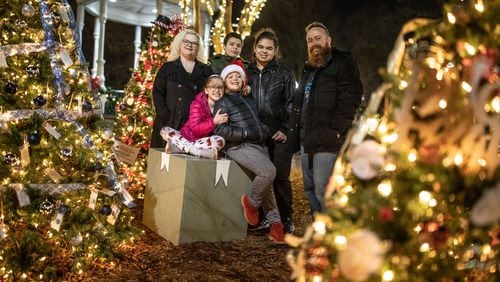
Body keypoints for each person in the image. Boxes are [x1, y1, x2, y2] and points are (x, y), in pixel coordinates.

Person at [288, 22, 363, 215]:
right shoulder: (309, 68)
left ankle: (331, 234)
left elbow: (351, 96)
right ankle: (319, 231)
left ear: (328, 40)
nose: (314, 43)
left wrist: (337, 129)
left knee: (324, 190)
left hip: (328, 138)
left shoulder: (342, 62)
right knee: (309, 189)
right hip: (307, 138)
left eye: (318, 38)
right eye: (310, 40)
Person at [213, 61, 285, 244]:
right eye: (231, 76)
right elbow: (220, 130)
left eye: (238, 76)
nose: (235, 79)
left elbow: (255, 120)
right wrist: (244, 134)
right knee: (269, 172)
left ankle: (276, 226)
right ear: (224, 81)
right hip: (239, 147)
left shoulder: (249, 98)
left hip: (259, 145)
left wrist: (264, 129)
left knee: (268, 186)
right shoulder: (223, 101)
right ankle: (252, 204)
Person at [246, 28, 296, 234]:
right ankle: (261, 219)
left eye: (269, 48)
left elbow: (293, 104)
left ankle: (286, 219)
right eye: (261, 47)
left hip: (277, 135)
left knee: (280, 178)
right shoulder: (245, 72)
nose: (264, 51)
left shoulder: (284, 74)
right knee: (258, 177)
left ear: (275, 51)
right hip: (254, 135)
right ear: (255, 49)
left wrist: (285, 129)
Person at [151, 29, 213, 148]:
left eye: (194, 43)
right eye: (186, 41)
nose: (190, 45)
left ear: (198, 48)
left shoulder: (206, 70)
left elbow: (212, 93)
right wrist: (164, 115)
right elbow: (158, 92)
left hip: (194, 123)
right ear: (179, 43)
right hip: (170, 121)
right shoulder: (168, 68)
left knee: (188, 161)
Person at [160, 75, 228, 159]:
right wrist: (214, 122)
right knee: (165, 130)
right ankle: (196, 151)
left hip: (202, 142)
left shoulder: (224, 106)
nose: (217, 90)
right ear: (206, 90)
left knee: (220, 141)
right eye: (213, 87)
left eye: (220, 87)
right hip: (185, 137)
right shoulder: (197, 104)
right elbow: (195, 129)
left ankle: (182, 148)